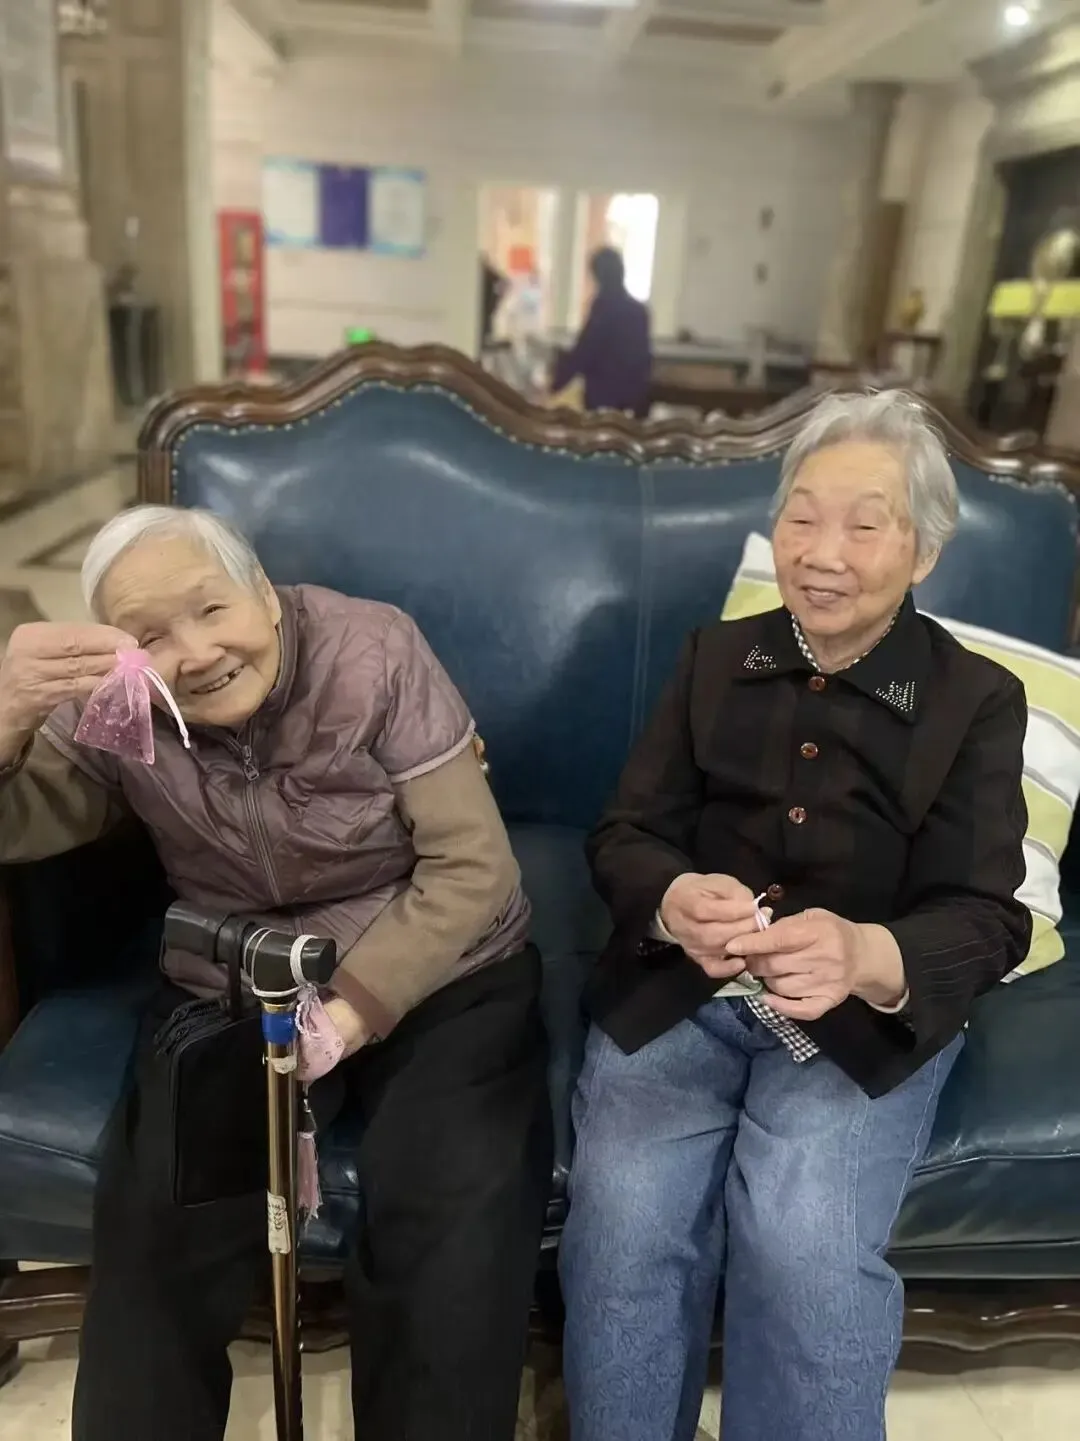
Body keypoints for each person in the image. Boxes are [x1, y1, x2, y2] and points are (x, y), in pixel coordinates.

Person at [0, 506, 553, 1441]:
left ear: (262, 590)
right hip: (237, 970)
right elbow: (24, 826)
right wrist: (8, 718)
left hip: (440, 962)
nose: (195, 653)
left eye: (211, 608)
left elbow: (473, 865)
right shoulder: (122, 700)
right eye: (149, 635)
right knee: (163, 1233)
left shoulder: (372, 650)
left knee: (452, 1229)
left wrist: (353, 1008)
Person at [560, 390, 1031, 1441]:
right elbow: (626, 833)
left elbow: (987, 917)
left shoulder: (976, 700)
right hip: (680, 991)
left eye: (865, 525)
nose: (821, 553)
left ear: (923, 551)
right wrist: (670, 898)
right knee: (626, 1226)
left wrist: (869, 952)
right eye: (801, 517)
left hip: (861, 1019)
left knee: (804, 1238)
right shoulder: (714, 659)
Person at [551, 246, 652, 416]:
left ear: (598, 275)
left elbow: (585, 351)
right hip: (634, 399)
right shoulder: (639, 311)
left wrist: (555, 384)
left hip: (604, 400)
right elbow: (644, 359)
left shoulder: (604, 308)